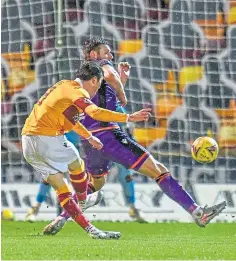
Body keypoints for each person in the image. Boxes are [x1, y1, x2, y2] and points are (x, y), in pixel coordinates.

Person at [44, 38, 226, 235]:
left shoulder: (86, 78)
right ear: (94, 55)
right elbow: (110, 78)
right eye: (107, 52)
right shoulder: (101, 66)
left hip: (91, 140)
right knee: (160, 171)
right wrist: (123, 95)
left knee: (96, 183)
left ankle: (61, 218)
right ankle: (198, 213)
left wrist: (122, 80)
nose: (111, 56)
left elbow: (107, 96)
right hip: (109, 135)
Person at [21, 61, 151, 239]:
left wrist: (89, 137)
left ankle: (91, 230)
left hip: (28, 142)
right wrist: (128, 117)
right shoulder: (78, 92)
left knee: (63, 188)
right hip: (47, 137)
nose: (96, 92)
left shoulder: (63, 86)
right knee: (77, 162)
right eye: (98, 86)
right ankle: (83, 200)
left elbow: (70, 120)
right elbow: (96, 112)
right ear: (95, 80)